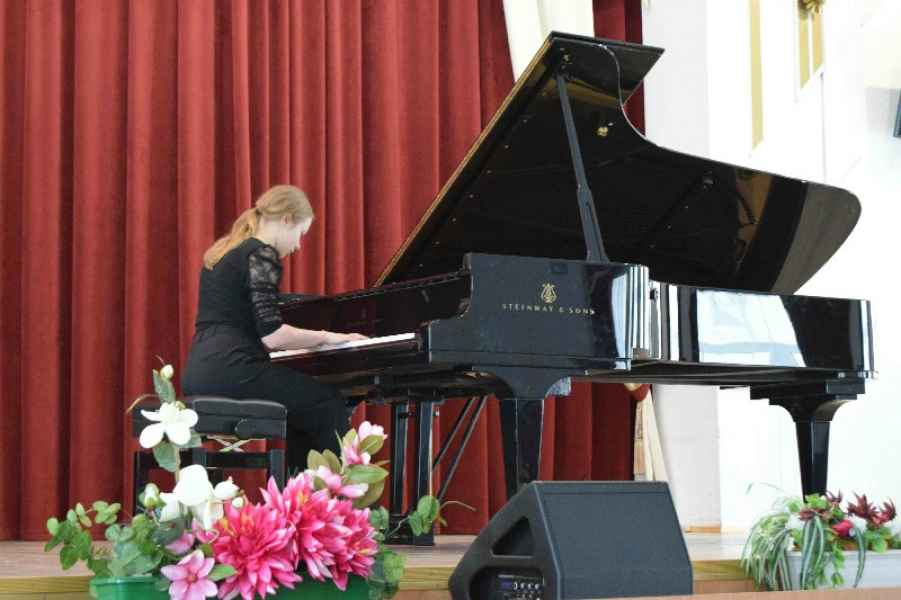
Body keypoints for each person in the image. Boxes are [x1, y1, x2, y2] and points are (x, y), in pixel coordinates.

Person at [182, 184, 367, 472]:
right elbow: (274, 336)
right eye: (300, 234)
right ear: (286, 220)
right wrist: (328, 337)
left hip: (199, 373)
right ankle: (337, 496)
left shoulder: (225, 253)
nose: (298, 245)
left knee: (302, 406)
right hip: (233, 370)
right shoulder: (262, 255)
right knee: (328, 402)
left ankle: (300, 492)